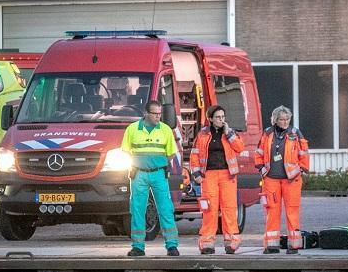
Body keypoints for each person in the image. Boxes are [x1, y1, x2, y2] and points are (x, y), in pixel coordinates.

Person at [121, 100, 179, 256]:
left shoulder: (165, 130)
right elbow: (125, 151)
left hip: (158, 173)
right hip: (138, 173)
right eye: (155, 114)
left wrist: (158, 163)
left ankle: (172, 245)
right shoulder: (132, 129)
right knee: (137, 209)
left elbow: (171, 153)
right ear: (145, 113)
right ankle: (138, 246)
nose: (158, 117)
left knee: (165, 209)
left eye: (160, 113)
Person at [254, 106, 309, 254]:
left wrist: (300, 170)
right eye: (282, 119)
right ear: (275, 120)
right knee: (272, 211)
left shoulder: (295, 133)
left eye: (287, 119)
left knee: (292, 211)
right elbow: (258, 153)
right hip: (271, 179)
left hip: (291, 180)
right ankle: (272, 245)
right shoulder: (267, 133)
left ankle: (294, 245)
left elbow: (304, 154)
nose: (285, 122)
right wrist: (262, 170)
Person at [190, 106, 245, 254]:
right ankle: (207, 243)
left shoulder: (230, 133)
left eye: (223, 117)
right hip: (209, 176)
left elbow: (240, 148)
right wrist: (196, 174)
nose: (221, 120)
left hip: (228, 175)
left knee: (229, 208)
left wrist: (229, 134)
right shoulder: (202, 134)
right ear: (211, 119)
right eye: (218, 117)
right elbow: (194, 155)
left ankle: (232, 242)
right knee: (210, 209)